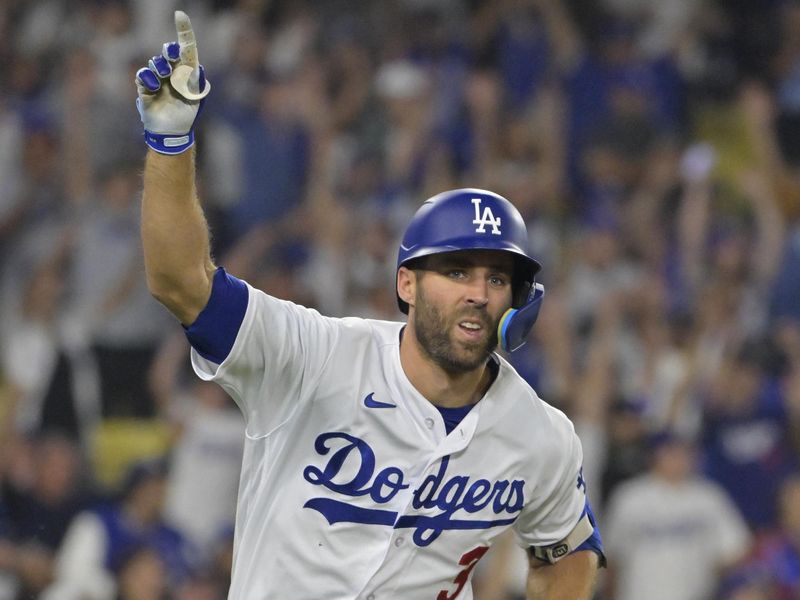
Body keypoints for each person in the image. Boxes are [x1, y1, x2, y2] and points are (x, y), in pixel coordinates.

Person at [133, 11, 604, 599]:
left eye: (497, 278)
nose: (478, 294)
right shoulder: (315, 357)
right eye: (455, 271)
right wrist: (171, 142)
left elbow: (568, 550)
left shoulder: (539, 434)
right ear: (406, 284)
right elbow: (180, 281)